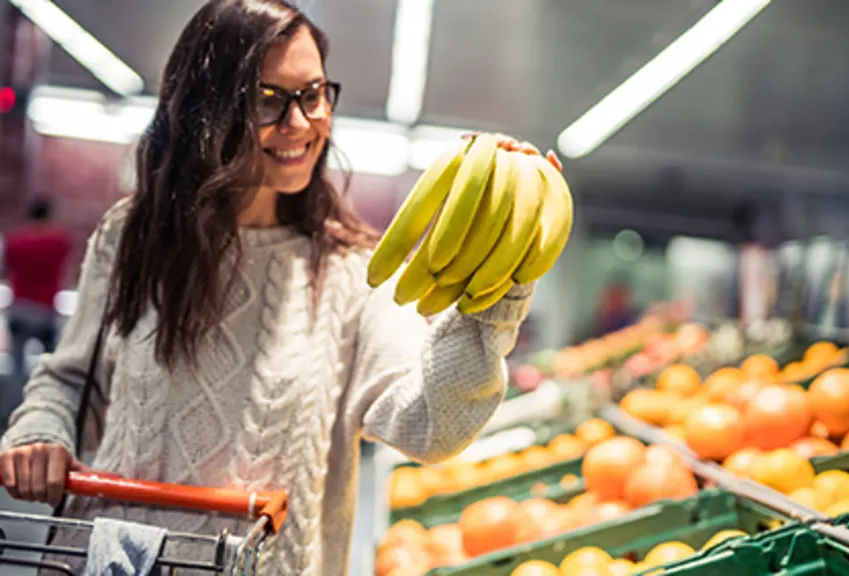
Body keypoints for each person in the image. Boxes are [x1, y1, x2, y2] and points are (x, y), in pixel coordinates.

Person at [0, 1, 537, 574]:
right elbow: (70, 379)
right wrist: (39, 434)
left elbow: (431, 427)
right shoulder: (134, 236)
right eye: (267, 100)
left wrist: (495, 302)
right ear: (208, 111)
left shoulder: (355, 270)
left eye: (313, 94)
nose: (301, 123)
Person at [1, 197, 71, 425]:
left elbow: (8, 268)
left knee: (17, 366)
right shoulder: (58, 241)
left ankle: (14, 412)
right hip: (46, 309)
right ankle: (45, 411)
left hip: (20, 307)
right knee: (51, 366)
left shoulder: (16, 240)